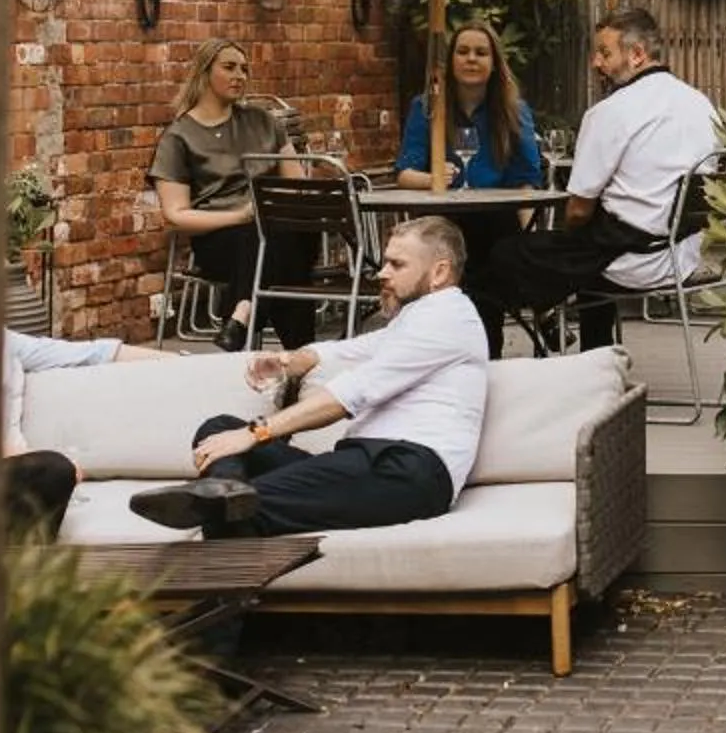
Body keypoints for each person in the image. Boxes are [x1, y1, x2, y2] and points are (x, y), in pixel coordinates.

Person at [129, 216, 490, 538]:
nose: (382, 273)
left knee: (245, 502)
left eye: (397, 265)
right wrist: (287, 362)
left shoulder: (447, 319)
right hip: (367, 462)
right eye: (384, 263)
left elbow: (350, 394)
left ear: (439, 273)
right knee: (218, 428)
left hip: (406, 471)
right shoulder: (415, 321)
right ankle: (228, 494)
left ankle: (227, 512)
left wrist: (255, 432)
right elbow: (343, 351)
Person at [475, 8, 719, 352]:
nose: (595, 63)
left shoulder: (610, 112)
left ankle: (500, 357)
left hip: (631, 260)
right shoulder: (700, 104)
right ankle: (597, 354)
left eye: (605, 53)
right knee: (585, 248)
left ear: (637, 55)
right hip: (681, 254)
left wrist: (568, 242)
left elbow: (577, 210)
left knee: (501, 256)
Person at [150, 36, 317, 354]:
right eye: (229, 67)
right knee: (272, 249)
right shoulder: (179, 137)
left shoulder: (265, 121)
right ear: (204, 72)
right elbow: (175, 215)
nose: (239, 75)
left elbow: (298, 187)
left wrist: (271, 209)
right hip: (221, 238)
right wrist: (240, 214)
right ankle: (302, 357)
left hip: (277, 229)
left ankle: (241, 314)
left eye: (244, 69)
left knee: (282, 237)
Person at [395, 19, 548, 350]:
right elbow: (405, 173)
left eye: (481, 52)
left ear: (494, 64)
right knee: (445, 250)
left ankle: (484, 350)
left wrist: (530, 241)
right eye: (462, 51)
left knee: (493, 257)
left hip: (496, 223)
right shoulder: (427, 109)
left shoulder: (513, 111)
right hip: (442, 222)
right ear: (451, 61)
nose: (471, 59)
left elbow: (528, 181)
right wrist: (432, 179)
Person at [0, 327, 163, 536]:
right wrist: (23, 456)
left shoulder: (5, 342)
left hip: (13, 475)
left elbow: (95, 353)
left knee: (52, 472)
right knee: (54, 469)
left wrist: (189, 362)